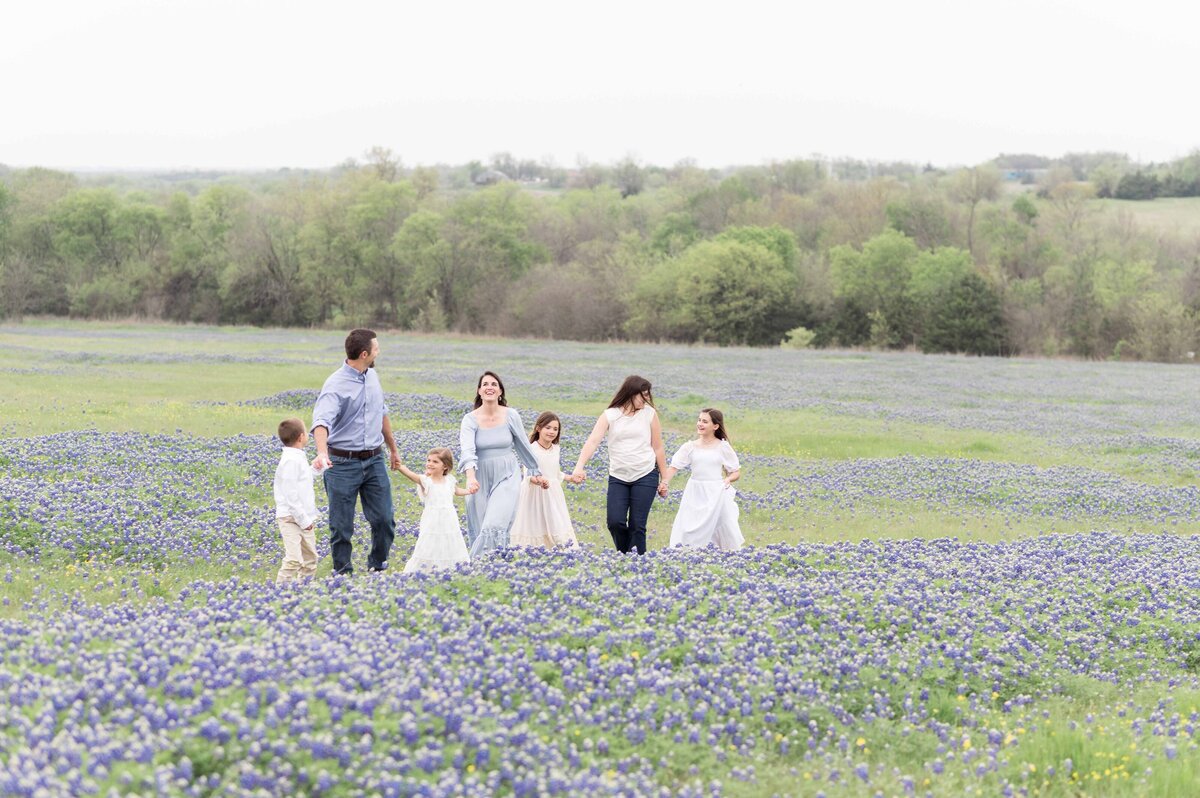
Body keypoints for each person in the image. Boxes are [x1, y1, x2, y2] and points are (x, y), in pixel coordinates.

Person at [311, 329, 401, 575]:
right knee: (341, 527)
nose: (378, 352)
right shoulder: (335, 384)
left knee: (384, 520)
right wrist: (322, 453)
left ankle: (377, 567)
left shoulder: (373, 376)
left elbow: (381, 413)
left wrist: (393, 449)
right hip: (341, 463)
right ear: (364, 354)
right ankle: (342, 576)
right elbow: (321, 422)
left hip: (374, 460)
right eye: (376, 348)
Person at [571, 375, 669, 554]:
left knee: (637, 525)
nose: (646, 399)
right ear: (631, 393)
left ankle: (638, 564)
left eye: (648, 395)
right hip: (618, 475)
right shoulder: (611, 414)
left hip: (646, 473)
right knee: (615, 522)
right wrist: (579, 466)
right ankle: (624, 556)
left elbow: (658, 447)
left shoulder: (649, 413)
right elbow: (593, 441)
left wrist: (665, 479)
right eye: (643, 395)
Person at [458, 371, 548, 556]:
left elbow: (523, 444)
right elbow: (467, 450)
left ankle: (487, 563)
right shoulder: (470, 419)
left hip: (507, 474)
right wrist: (471, 477)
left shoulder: (511, 415)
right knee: (481, 523)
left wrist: (535, 472)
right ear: (479, 391)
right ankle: (484, 568)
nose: (489, 387)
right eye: (485, 384)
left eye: (493, 384)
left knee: (495, 522)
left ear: (500, 391)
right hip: (479, 476)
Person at [659, 408, 744, 551]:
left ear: (715, 426)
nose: (700, 424)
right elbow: (673, 467)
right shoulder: (689, 447)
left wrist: (728, 480)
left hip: (716, 490)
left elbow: (736, 472)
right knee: (689, 525)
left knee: (720, 524)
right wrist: (665, 482)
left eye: (705, 421)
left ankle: (722, 555)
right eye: (699, 420)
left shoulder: (723, 446)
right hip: (695, 490)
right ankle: (687, 552)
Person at [510, 412, 582, 549]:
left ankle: (561, 548)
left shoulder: (556, 449)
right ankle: (535, 551)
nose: (552, 432)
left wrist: (571, 478)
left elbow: (555, 473)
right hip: (534, 492)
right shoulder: (531, 449)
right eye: (548, 428)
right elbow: (528, 474)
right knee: (535, 523)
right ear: (538, 428)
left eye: (555, 429)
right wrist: (539, 481)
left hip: (553, 492)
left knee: (556, 521)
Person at [396, 448, 473, 573]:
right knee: (429, 542)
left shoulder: (449, 480)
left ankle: (452, 569)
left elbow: (457, 491)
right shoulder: (426, 481)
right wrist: (400, 466)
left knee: (449, 541)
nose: (430, 464)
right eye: (428, 460)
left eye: (435, 462)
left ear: (445, 466)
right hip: (432, 520)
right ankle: (425, 570)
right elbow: (412, 475)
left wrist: (469, 491)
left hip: (449, 519)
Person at [273, 417, 324, 583]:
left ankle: (304, 589)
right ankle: (279, 591)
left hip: (304, 517)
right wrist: (303, 519)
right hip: (291, 518)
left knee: (310, 558)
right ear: (302, 437)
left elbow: (303, 479)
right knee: (294, 558)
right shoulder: (290, 461)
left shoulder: (297, 456)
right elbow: (290, 495)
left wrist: (317, 469)